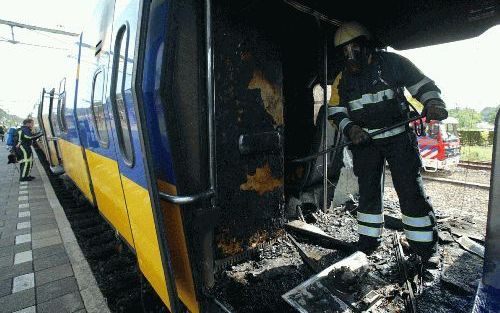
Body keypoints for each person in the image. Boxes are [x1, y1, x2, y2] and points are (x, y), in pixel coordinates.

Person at [328, 21, 448, 268]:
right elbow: (335, 111)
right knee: (368, 193)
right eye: (345, 51)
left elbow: (422, 85)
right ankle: (368, 242)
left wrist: (434, 102)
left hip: (398, 138)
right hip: (366, 143)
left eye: (355, 48)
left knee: (410, 191)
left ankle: (426, 250)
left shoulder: (394, 64)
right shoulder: (342, 79)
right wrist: (351, 129)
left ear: (367, 45)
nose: (350, 55)